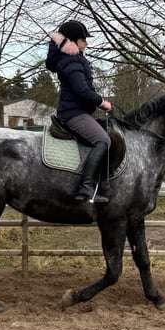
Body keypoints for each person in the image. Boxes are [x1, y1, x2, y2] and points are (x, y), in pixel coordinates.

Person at [45, 20, 112, 203]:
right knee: (103, 140)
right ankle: (86, 188)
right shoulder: (72, 61)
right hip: (73, 114)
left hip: (76, 111)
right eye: (84, 40)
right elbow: (82, 91)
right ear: (74, 41)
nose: (87, 43)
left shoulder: (72, 59)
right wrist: (102, 102)